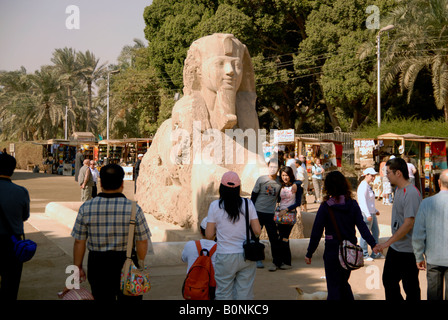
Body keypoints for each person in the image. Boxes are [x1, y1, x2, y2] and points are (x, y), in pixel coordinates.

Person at [71, 164, 152, 300]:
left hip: (97, 264)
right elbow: (142, 240)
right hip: (127, 262)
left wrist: (77, 267)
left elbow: (79, 241)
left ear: (101, 182)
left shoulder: (86, 208)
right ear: (122, 183)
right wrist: (141, 264)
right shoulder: (134, 209)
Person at [305, 171, 379, 300]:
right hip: (349, 252)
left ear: (327, 187)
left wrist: (309, 253)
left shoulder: (325, 207)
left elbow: (316, 232)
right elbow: (362, 227)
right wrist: (373, 244)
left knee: (334, 286)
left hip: (332, 251)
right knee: (343, 284)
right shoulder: (353, 204)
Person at [205, 171, 261, 300]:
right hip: (246, 255)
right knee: (244, 294)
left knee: (223, 293)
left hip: (224, 255)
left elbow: (208, 235)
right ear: (238, 188)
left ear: (222, 188)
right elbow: (257, 231)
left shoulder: (215, 206)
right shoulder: (248, 204)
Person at [377, 157, 422, 300]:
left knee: (411, 288)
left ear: (398, 173)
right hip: (397, 248)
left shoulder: (411, 193)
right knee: (388, 281)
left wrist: (386, 243)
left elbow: (409, 223)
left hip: (408, 250)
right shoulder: (398, 190)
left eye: (388, 172)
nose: (386, 175)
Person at [412, 169, 448, 300]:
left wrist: (418, 256)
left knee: (433, 295)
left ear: (439, 183)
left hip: (433, 257)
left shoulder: (426, 203)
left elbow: (418, 233)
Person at [0, 153, 30, 300]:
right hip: (12, 244)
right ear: (12, 170)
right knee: (10, 284)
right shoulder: (21, 192)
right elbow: (24, 217)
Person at [250, 158, 282, 269]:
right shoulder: (261, 179)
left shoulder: (280, 181)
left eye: (275, 167)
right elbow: (253, 196)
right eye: (271, 166)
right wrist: (251, 212)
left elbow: (293, 182)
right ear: (268, 167)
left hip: (271, 214)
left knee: (274, 238)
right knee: (255, 237)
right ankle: (257, 259)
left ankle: (276, 261)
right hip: (258, 212)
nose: (272, 169)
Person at [272, 166, 303, 271]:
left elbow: (298, 202)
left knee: (284, 238)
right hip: (280, 216)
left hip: (289, 215)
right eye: (283, 175)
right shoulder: (280, 185)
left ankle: (285, 262)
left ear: (291, 175)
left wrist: (286, 210)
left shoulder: (296, 186)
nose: (285, 177)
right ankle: (280, 262)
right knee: (280, 238)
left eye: (287, 175)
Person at [357, 168, 383, 260]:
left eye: (374, 176)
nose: (373, 177)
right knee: (365, 234)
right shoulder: (363, 186)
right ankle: (364, 254)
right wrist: (368, 214)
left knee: (376, 232)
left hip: (371, 213)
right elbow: (362, 202)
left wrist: (375, 210)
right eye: (372, 175)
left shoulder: (367, 186)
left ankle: (375, 252)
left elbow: (369, 202)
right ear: (366, 175)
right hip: (366, 214)